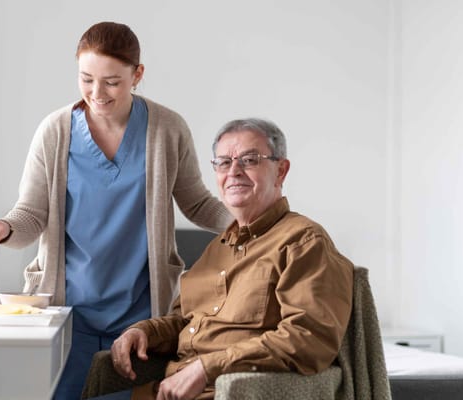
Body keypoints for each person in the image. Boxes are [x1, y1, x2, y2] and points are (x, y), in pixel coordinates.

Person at [0, 21, 231, 399]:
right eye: (86, 78)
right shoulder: (55, 131)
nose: (98, 92)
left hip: (139, 314)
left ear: (137, 75)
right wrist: (3, 228)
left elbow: (197, 203)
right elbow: (30, 215)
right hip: (67, 312)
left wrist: (250, 223)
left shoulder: (167, 129)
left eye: (112, 81)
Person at [104, 118, 354, 400]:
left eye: (249, 160)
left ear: (280, 170)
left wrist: (206, 368)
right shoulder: (217, 248)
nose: (234, 172)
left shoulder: (304, 242)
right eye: (223, 162)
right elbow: (186, 322)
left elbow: (309, 339)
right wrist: (144, 332)